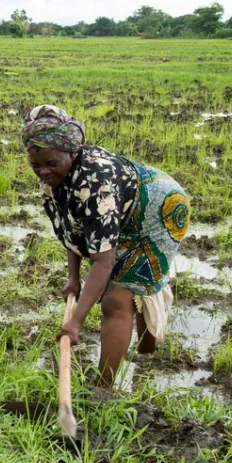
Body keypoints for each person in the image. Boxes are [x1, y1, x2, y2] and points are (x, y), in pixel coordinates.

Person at [22, 105, 191, 387]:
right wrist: (73, 280)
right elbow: (72, 228)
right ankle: (143, 353)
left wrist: (75, 321)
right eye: (35, 165)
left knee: (117, 299)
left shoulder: (96, 184)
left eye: (50, 163)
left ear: (72, 153)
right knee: (121, 289)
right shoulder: (53, 179)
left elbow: (103, 261)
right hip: (125, 211)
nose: (42, 171)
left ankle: (104, 388)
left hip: (161, 211)